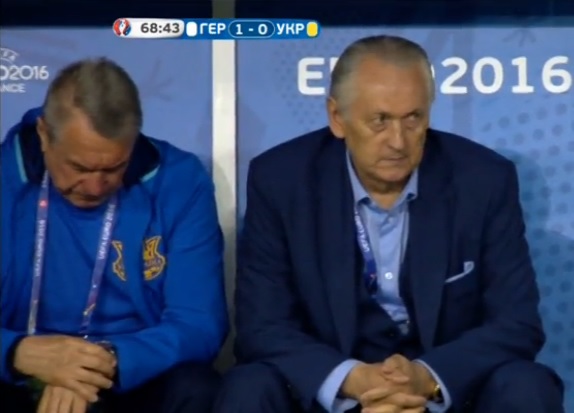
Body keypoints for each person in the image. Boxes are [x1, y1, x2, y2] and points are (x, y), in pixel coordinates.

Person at [213, 35, 564, 413]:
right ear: (337, 117)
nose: (398, 142)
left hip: (442, 393)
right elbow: (262, 326)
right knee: (248, 387)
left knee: (527, 384)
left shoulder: (483, 179)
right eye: (380, 121)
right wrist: (353, 380)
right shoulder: (282, 180)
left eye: (413, 118)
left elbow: (516, 323)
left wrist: (426, 378)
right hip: (334, 393)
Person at [1, 58, 229, 413]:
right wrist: (15, 352)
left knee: (197, 388)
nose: (95, 186)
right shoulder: (5, 177)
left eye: (114, 167)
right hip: (20, 367)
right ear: (44, 135)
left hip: (125, 369)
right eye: (79, 167)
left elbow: (199, 323)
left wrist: (98, 364)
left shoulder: (180, 181)